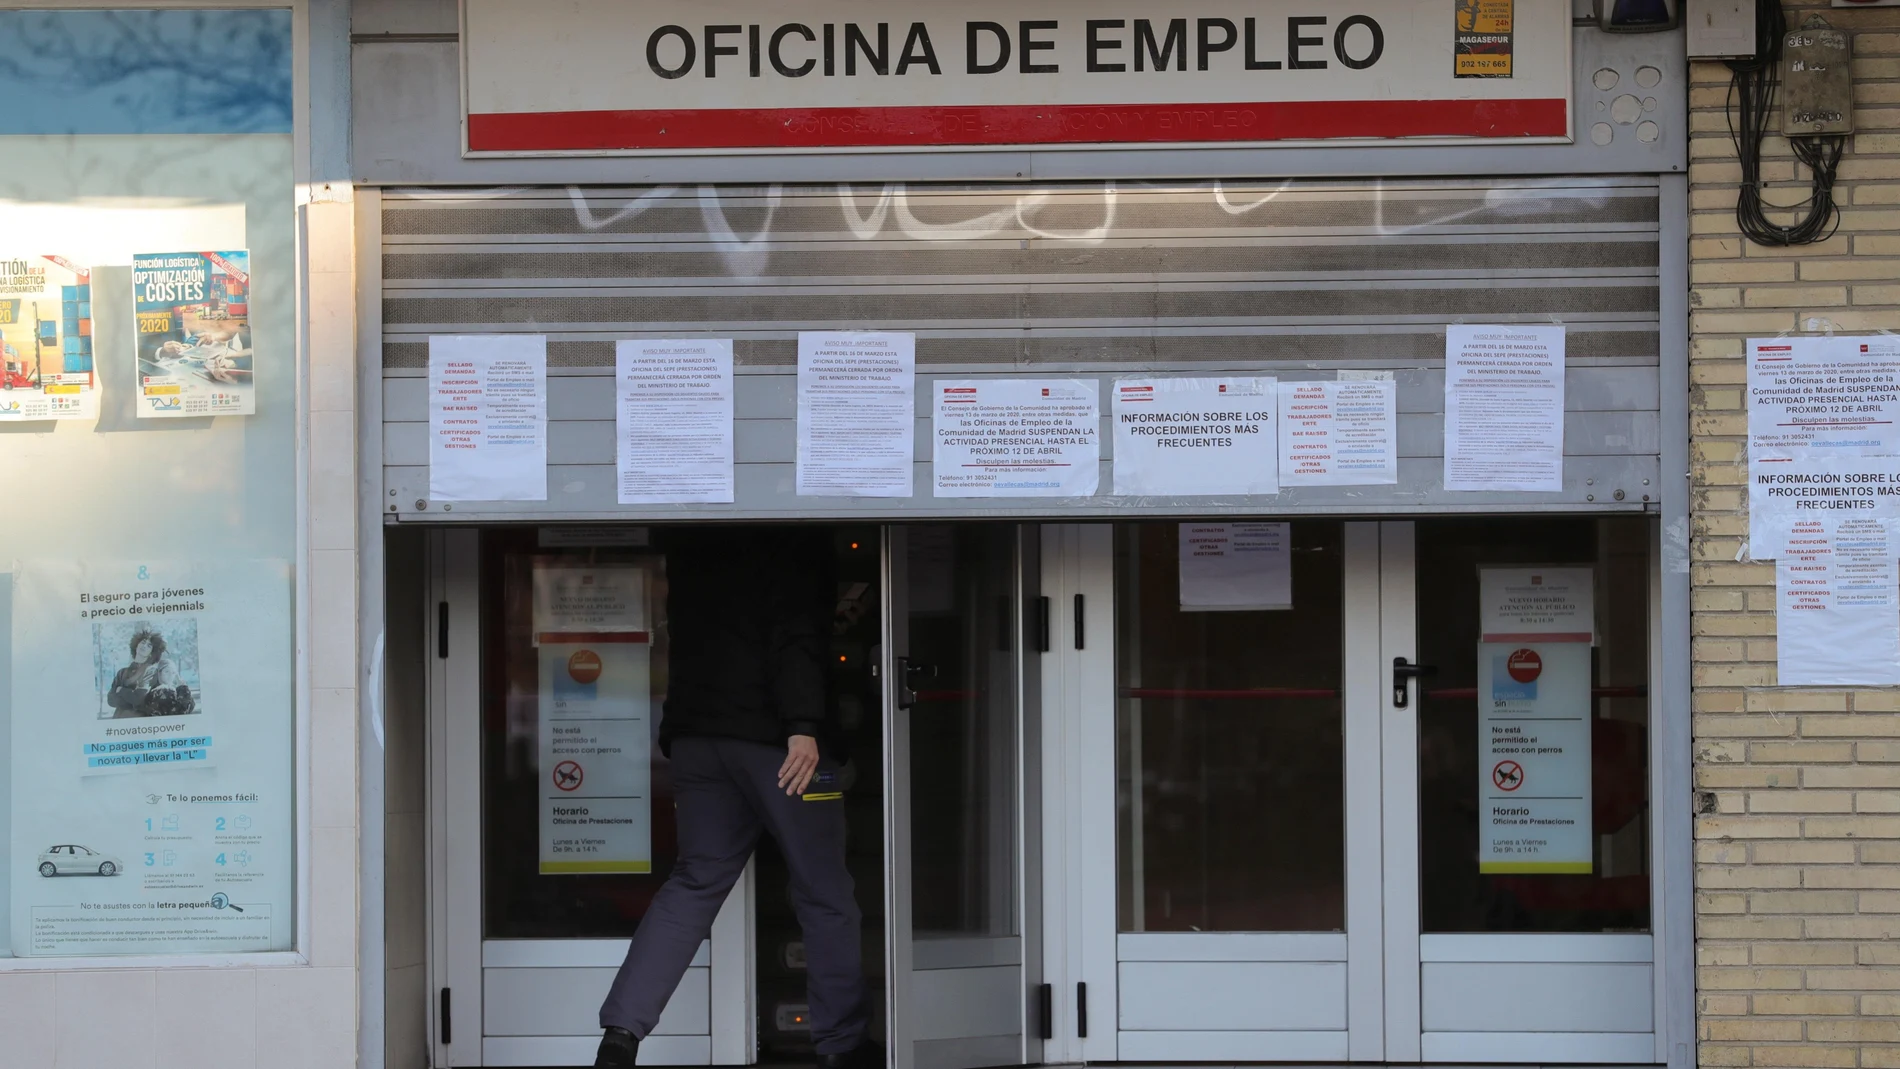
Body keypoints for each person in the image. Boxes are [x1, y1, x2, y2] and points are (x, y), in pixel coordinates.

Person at [597, 527, 877, 1069]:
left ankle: (621, 1034)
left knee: (696, 881)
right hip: (782, 746)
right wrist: (803, 724)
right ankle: (843, 1045)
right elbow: (799, 631)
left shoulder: (692, 536)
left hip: (698, 739)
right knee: (823, 891)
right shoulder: (793, 536)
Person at [106, 629, 192, 718]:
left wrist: (121, 690)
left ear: (152, 652)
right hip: (118, 720)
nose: (144, 646)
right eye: (142, 642)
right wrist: (131, 698)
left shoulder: (152, 672)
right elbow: (110, 700)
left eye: (149, 646)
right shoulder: (122, 672)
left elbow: (140, 700)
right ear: (136, 645)